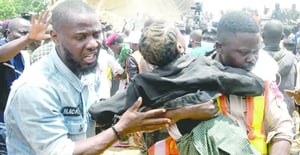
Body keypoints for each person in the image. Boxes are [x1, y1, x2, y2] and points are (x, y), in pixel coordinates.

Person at [4, 1, 170, 154]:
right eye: (80, 37)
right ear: (55, 37)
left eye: (97, 35)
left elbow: (90, 120)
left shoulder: (87, 73)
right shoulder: (36, 87)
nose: (93, 44)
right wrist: (121, 129)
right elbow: (60, 151)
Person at [261, 20, 298, 116]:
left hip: (260, 114)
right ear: (282, 37)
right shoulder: (292, 59)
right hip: (284, 114)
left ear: (262, 36)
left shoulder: (254, 59)